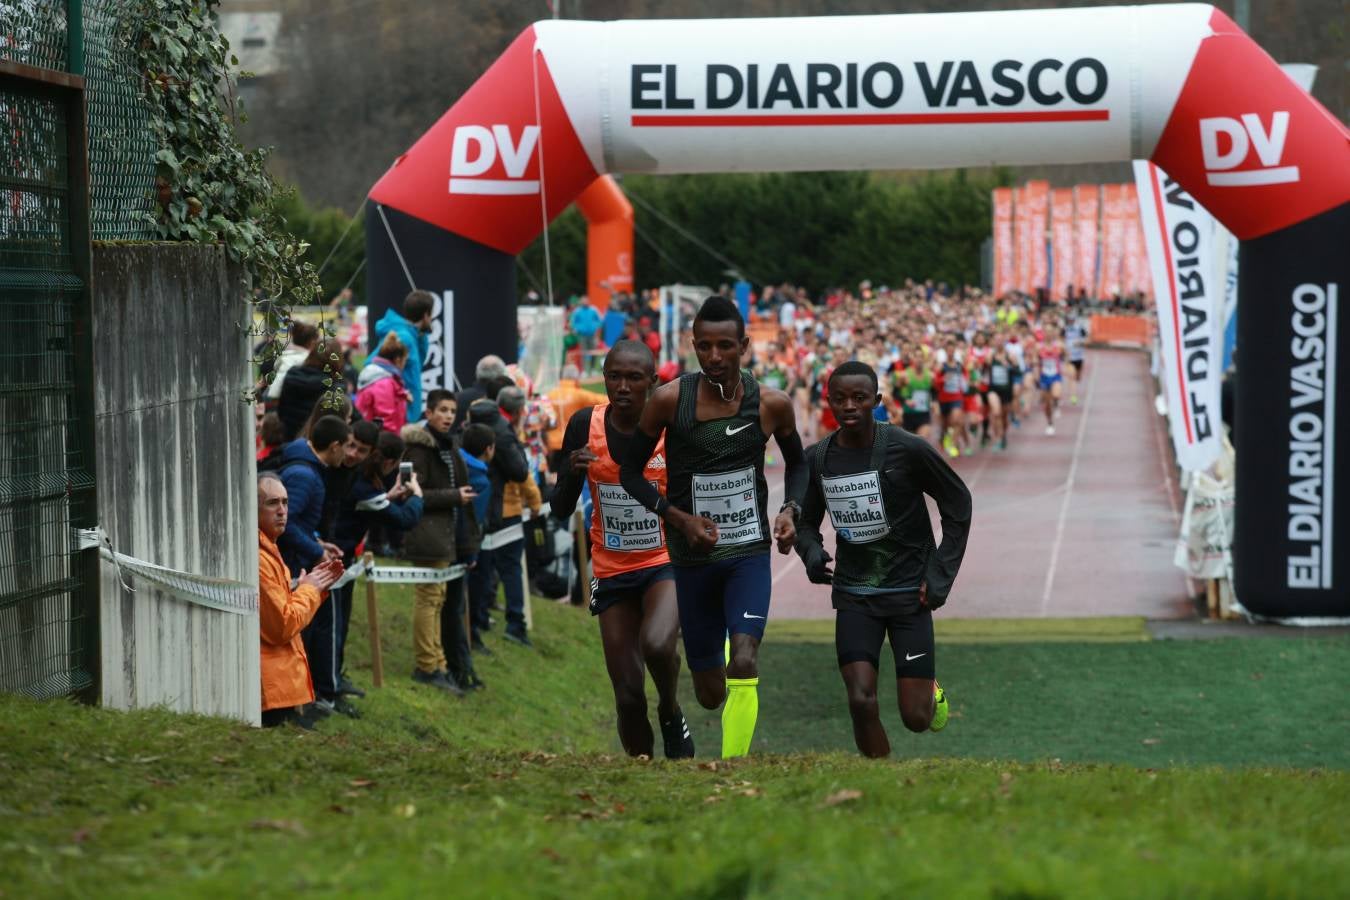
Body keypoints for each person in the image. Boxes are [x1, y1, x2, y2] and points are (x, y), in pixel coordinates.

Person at [620, 296, 806, 759]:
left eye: (726, 346)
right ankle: (707, 662)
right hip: (691, 560)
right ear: (693, 347)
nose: (715, 357)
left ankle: (732, 767)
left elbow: (800, 465)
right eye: (705, 347)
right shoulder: (668, 402)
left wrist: (790, 511)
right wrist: (678, 518)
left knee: (744, 660)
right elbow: (628, 472)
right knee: (709, 693)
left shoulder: (771, 404)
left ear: (744, 345)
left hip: (747, 553)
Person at [794, 362, 972, 758]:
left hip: (911, 594)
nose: (849, 406)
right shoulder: (819, 458)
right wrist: (810, 552)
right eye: (840, 399)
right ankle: (880, 778)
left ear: (877, 401)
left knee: (916, 718)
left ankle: (930, 692)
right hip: (855, 594)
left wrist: (941, 574)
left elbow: (958, 503)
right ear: (829, 403)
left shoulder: (908, 449)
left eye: (859, 398)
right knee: (861, 700)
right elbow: (806, 521)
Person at [551, 340, 695, 759]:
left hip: (663, 561)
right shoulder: (584, 424)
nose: (623, 386)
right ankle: (641, 774)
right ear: (604, 379)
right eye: (614, 376)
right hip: (611, 568)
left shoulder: (671, 427)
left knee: (656, 644)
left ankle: (669, 707)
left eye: (634, 378)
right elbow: (560, 509)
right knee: (629, 696)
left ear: (653, 382)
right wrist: (569, 474)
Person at [331, 428, 423, 703]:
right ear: (390, 463)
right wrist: (417, 496)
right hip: (337, 558)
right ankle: (329, 687)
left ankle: (335, 675)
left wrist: (390, 497)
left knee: (342, 623)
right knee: (334, 626)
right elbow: (404, 520)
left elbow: (371, 506)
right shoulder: (363, 484)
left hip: (344, 558)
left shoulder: (364, 481)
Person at [400, 389, 477, 694]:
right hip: (428, 535)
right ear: (428, 412)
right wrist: (453, 497)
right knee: (428, 599)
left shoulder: (449, 445)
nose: (448, 416)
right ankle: (427, 665)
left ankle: (438, 662)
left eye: (452, 410)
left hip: (445, 536)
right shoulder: (419, 449)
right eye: (442, 410)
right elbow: (411, 492)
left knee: (437, 599)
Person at [258, 472, 344, 728]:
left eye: (285, 502)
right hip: (272, 694)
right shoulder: (260, 557)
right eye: (272, 503)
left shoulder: (270, 550)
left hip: (280, 688)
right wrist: (310, 590)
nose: (282, 510)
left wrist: (303, 587)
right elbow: (283, 625)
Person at [468, 386, 536, 647]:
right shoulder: (504, 434)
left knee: (483, 568)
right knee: (509, 568)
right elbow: (520, 472)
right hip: (503, 509)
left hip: (483, 507)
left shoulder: (471, 425)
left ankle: (480, 618)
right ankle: (515, 624)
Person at [456, 423, 495, 663]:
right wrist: (472, 553)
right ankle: (465, 640)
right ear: (489, 449)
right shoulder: (480, 479)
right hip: (464, 547)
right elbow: (474, 521)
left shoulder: (457, 464)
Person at [372, 289, 435, 423]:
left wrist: (422, 336)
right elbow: (373, 366)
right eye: (431, 315)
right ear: (425, 316)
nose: (431, 319)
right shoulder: (404, 337)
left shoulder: (411, 336)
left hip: (403, 414)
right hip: (398, 416)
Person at [278, 340, 343, 441]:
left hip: (287, 437)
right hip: (317, 443)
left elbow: (281, 409)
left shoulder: (292, 375)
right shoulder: (332, 388)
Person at [355, 332, 413, 432]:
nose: (404, 365)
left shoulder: (381, 377)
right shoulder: (384, 383)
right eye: (405, 360)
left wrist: (402, 394)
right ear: (398, 360)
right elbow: (386, 420)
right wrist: (395, 442)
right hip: (385, 441)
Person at [1037, 325, 1067, 435]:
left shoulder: (1059, 346)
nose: (1049, 334)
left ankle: (1057, 404)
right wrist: (1036, 374)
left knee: (1056, 395)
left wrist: (1065, 365)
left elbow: (1066, 355)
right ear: (1043, 333)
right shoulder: (1038, 347)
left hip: (1055, 375)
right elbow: (1035, 361)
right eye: (1047, 331)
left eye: (1051, 331)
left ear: (1053, 333)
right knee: (1046, 404)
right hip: (1044, 377)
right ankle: (1050, 423)